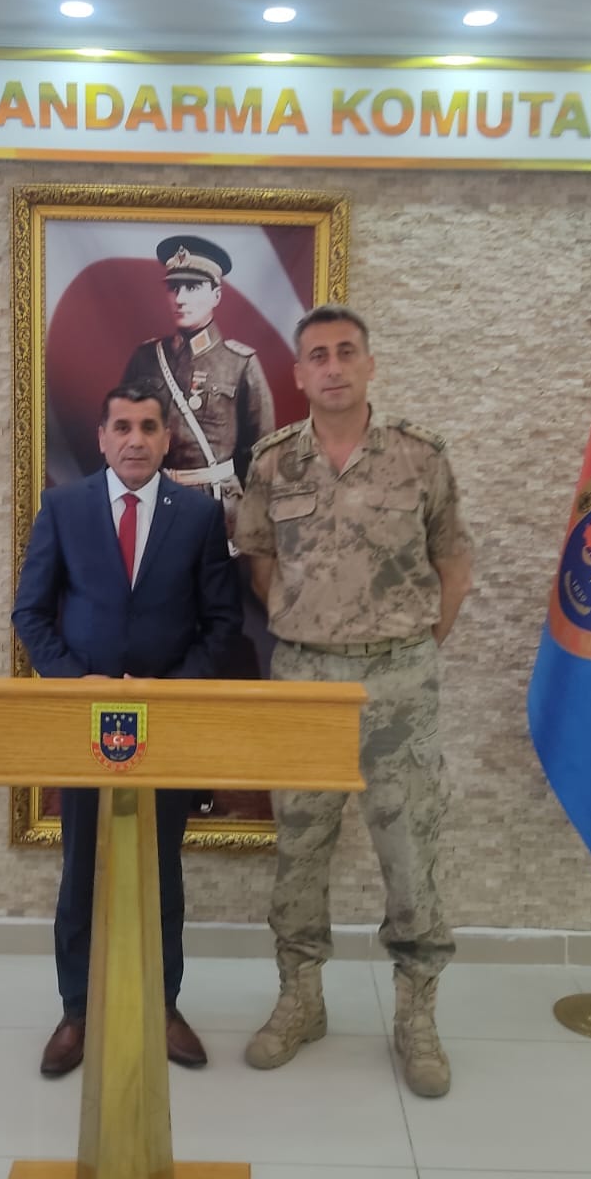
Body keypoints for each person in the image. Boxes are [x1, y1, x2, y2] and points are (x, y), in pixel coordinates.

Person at [233, 306, 474, 1098]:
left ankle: (417, 1016)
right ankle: (300, 999)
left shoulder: (419, 458)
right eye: (317, 356)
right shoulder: (274, 464)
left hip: (398, 681)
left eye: (346, 352)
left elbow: (452, 563)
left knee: (410, 853)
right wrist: (318, 632)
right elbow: (260, 564)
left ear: (370, 364)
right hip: (305, 683)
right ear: (298, 374)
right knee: (300, 847)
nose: (332, 367)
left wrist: (407, 645)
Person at [12, 381, 242, 1078]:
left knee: (160, 868)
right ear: (103, 437)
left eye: (148, 426)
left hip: (164, 723)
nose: (135, 439)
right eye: (123, 427)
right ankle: (77, 1011)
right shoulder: (64, 508)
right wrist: (73, 680)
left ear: (167, 438)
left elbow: (222, 623)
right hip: (87, 724)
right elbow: (31, 614)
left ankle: (163, 1004)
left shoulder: (197, 515)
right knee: (82, 869)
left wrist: (170, 690)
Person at [123, 234, 276, 542]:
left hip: (217, 511)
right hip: (155, 504)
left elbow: (262, 456)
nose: (180, 298)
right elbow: (121, 436)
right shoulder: (146, 359)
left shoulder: (239, 363)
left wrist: (255, 527)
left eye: (192, 287)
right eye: (174, 288)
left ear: (216, 295)